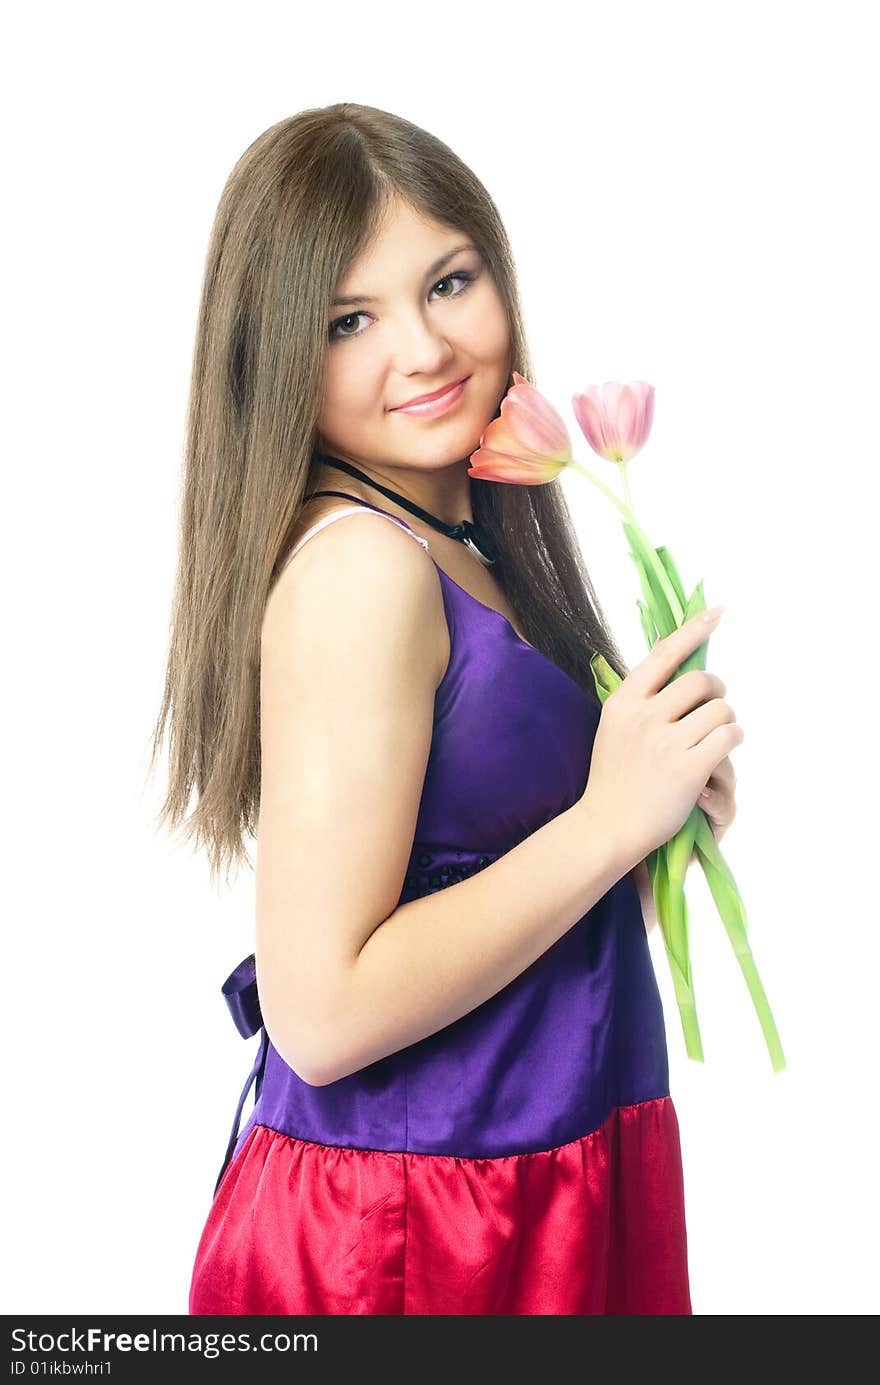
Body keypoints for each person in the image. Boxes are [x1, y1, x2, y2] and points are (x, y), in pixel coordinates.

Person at [151, 103, 741, 1315]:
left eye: (450, 282)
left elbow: (463, 883)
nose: (422, 348)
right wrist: (604, 824)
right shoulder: (361, 567)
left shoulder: (460, 533)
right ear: (275, 356)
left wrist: (654, 825)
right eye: (348, 320)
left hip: (533, 1173)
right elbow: (320, 1014)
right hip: (415, 1231)